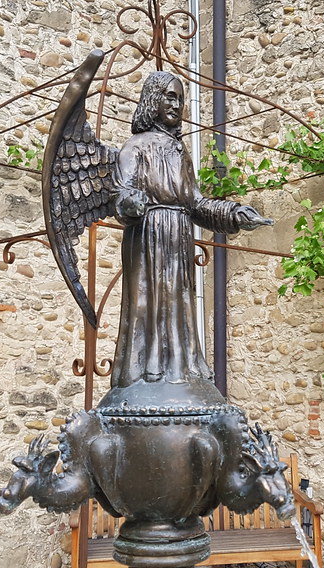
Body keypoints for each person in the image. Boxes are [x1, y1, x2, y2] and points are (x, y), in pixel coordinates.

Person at [110, 72, 272, 388]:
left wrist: (235, 213)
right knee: (146, 304)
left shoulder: (180, 152)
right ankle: (143, 374)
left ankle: (179, 373)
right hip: (148, 236)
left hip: (178, 237)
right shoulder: (136, 146)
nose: (177, 104)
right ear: (152, 99)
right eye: (170, 96)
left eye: (181, 99)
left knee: (178, 306)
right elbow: (120, 194)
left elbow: (196, 203)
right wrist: (132, 202)